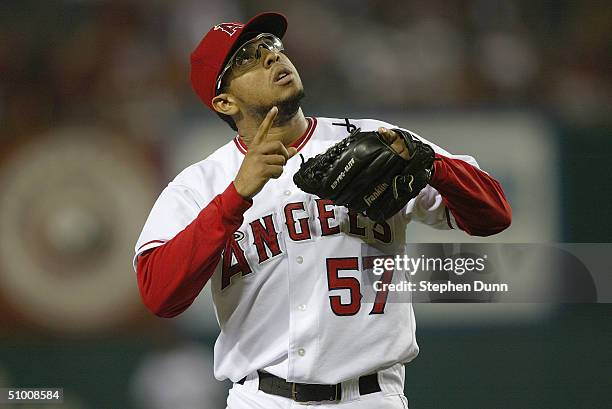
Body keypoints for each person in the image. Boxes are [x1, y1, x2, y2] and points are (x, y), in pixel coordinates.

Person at [134, 12, 511, 409]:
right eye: (247, 58)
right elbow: (159, 294)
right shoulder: (202, 183)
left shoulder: (375, 140)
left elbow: (494, 214)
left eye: (271, 47)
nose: (270, 58)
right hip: (263, 399)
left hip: (371, 397)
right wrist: (235, 198)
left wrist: (430, 163)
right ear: (224, 102)